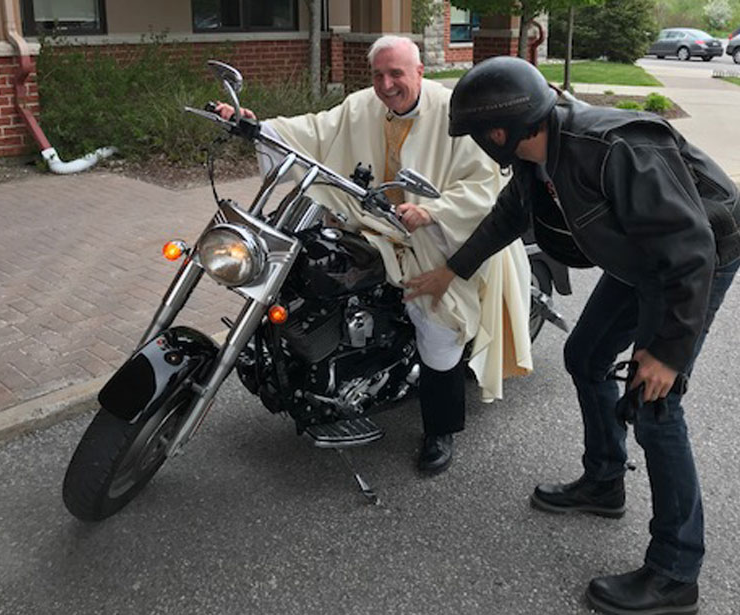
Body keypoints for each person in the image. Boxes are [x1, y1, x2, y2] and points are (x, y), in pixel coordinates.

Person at [405, 56, 740, 614]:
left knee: (655, 405)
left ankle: (675, 571)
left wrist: (666, 352)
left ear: (501, 131)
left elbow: (691, 252)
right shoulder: (535, 157)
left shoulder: (614, 150)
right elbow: (506, 219)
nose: (476, 144)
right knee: (586, 353)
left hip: (697, 257)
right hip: (641, 254)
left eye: (476, 135)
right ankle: (604, 481)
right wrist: (452, 270)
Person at [216, 37, 533, 475]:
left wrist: (432, 210)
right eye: (379, 75)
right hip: (378, 224)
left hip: (441, 237)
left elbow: (486, 184)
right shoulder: (362, 105)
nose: (386, 84)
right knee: (309, 261)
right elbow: (315, 130)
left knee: (435, 320)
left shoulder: (453, 111)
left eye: (397, 74)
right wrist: (257, 127)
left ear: (419, 72)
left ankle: (441, 428)